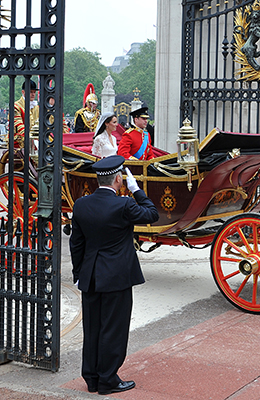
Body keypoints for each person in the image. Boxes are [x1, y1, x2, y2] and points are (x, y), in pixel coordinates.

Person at [69, 155, 159, 395]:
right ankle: (107, 379)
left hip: (90, 276)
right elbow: (152, 215)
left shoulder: (81, 204)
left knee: (93, 328)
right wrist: (137, 190)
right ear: (119, 179)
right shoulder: (124, 205)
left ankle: (92, 378)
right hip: (116, 277)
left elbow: (76, 244)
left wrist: (79, 273)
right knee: (113, 329)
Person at [13, 79, 39, 148]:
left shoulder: (37, 107)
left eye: (34, 92)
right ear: (23, 92)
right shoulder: (16, 106)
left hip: (35, 141)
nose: (33, 94)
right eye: (30, 92)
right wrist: (30, 138)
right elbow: (19, 126)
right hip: (20, 141)